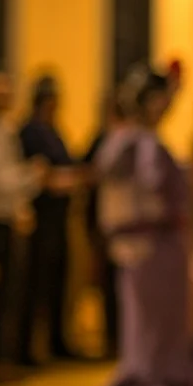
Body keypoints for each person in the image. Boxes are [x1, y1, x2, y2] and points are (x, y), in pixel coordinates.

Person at [86, 63, 193, 386]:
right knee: (152, 346)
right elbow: (127, 205)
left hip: (157, 255)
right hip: (154, 255)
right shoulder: (138, 146)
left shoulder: (131, 142)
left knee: (156, 341)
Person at [0, 68, 42, 382]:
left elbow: (9, 177)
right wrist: (32, 175)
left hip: (6, 219)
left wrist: (23, 200)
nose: (3, 95)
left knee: (5, 296)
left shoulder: (5, 129)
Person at [18, 74, 81, 363]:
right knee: (37, 285)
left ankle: (56, 341)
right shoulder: (31, 131)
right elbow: (39, 173)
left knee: (57, 282)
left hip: (58, 216)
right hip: (41, 217)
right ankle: (28, 348)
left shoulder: (53, 131)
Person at [82, 96, 125, 359]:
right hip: (106, 223)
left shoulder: (124, 142)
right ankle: (112, 338)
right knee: (109, 282)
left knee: (120, 284)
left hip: (119, 224)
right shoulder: (105, 141)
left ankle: (120, 338)